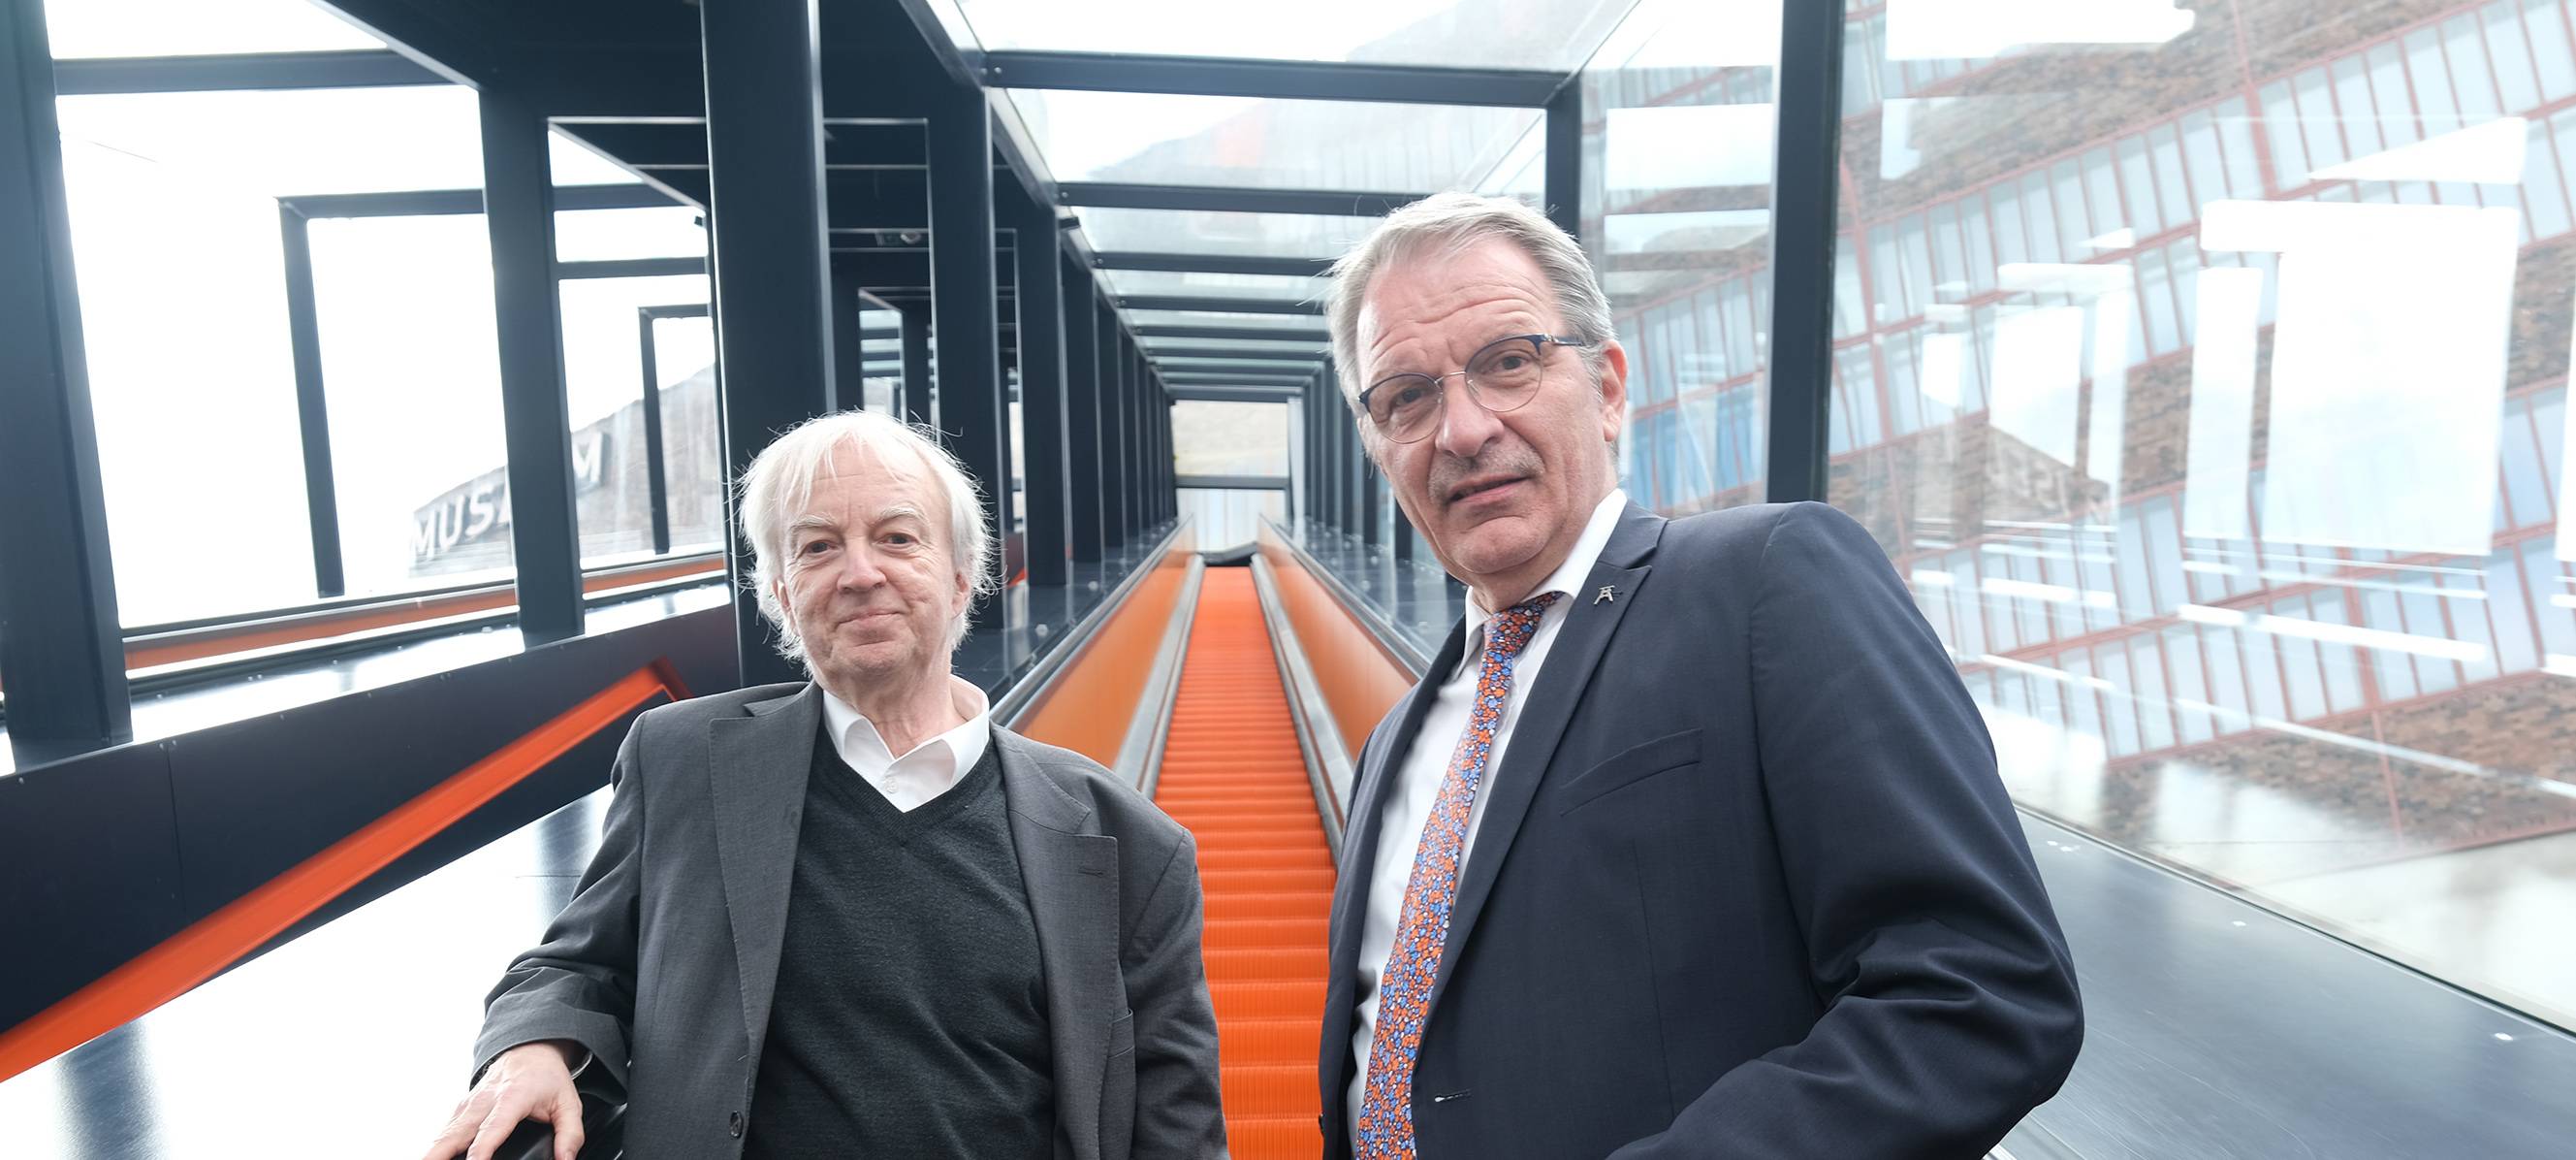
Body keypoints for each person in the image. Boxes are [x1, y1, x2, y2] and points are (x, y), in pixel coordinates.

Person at [1314, 193, 2083, 1159]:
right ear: (1380, 442)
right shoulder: (1397, 740)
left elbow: (1980, 986)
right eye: (1407, 397)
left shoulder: (1766, 583)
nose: (1461, 429)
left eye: (1506, 361)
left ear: (1605, 387)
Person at [425, 410, 1225, 1160]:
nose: (859, 573)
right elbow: (574, 964)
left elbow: (1175, 1124)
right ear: (779, 594)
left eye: (897, 537)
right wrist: (531, 1046)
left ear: (960, 577)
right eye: (814, 548)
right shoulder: (682, 760)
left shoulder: (1127, 842)